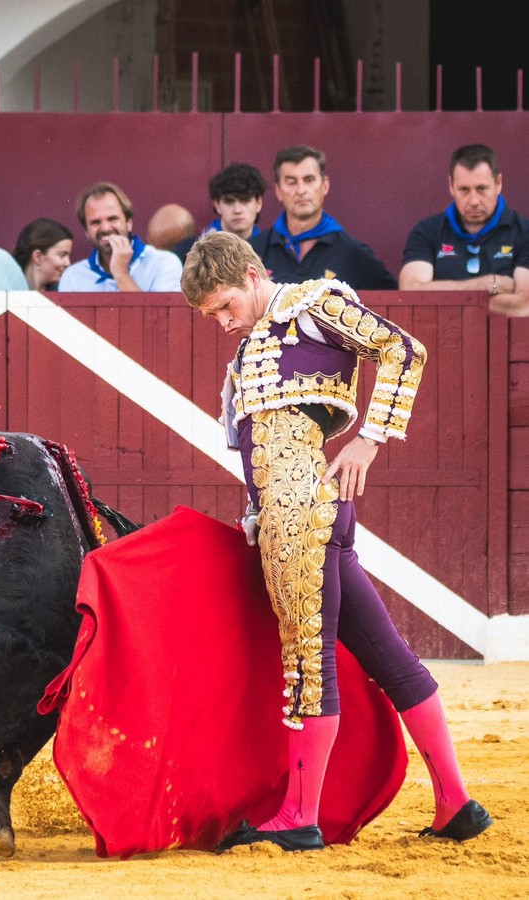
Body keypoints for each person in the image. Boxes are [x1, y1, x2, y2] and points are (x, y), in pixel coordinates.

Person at [180, 230, 491, 852]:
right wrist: (254, 512)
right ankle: (456, 804)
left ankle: (299, 815)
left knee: (306, 662)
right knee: (389, 658)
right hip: (290, 517)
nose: (222, 322)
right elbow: (256, 455)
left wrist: (369, 439)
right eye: (211, 314)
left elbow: (403, 348)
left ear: (251, 273)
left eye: (224, 306)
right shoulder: (248, 353)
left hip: (303, 517)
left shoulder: (315, 303)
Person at [398, 143, 529, 316]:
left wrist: (441, 295)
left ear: (498, 183)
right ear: (451, 186)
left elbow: (523, 305)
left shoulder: (524, 232)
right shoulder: (427, 231)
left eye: (481, 189)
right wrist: (487, 285)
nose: (474, 200)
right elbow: (410, 293)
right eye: (464, 190)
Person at [251, 144, 397, 290]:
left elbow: (394, 305)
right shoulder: (254, 252)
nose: (301, 190)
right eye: (291, 182)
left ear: (325, 185)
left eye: (309, 180)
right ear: (278, 191)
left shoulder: (353, 253)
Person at [58, 182, 182, 292]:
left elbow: (158, 318)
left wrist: (121, 273)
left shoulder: (164, 263)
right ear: (86, 232)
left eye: (112, 219)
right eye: (96, 222)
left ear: (129, 223)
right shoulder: (72, 277)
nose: (105, 228)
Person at [173, 162, 267, 262]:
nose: (237, 210)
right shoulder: (188, 251)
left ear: (258, 204)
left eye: (245, 200)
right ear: (217, 205)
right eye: (229, 201)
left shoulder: (275, 250)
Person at [12, 217, 73, 290]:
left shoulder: (65, 292)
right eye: (62, 255)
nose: (68, 263)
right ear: (37, 257)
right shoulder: (7, 292)